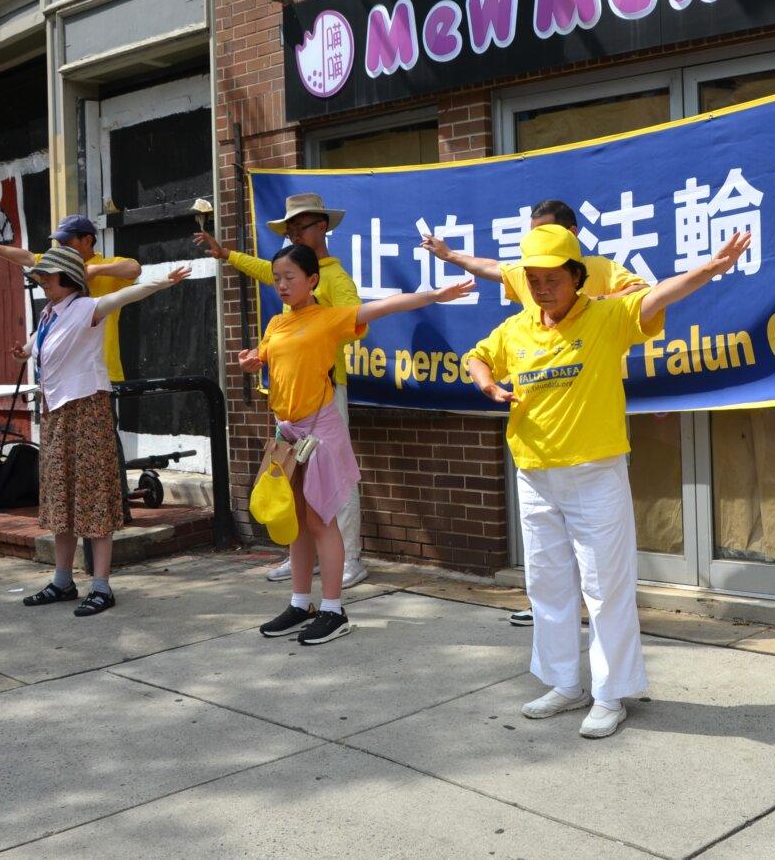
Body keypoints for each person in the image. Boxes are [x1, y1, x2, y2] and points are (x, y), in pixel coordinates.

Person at [465, 224, 752, 739]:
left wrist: (711, 269)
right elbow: (477, 355)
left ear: (577, 277)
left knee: (605, 589)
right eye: (533, 278)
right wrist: (487, 381)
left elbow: (660, 294)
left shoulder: (604, 316)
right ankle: (563, 683)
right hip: (534, 473)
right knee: (547, 586)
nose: (541, 287)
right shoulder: (519, 326)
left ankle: (610, 693)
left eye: (552, 278)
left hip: (593, 472)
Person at [423, 197, 647, 627]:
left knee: (602, 567)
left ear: (572, 244)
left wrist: (593, 311)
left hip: (586, 409)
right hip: (536, 430)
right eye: (531, 250)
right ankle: (558, 656)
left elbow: (641, 293)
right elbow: (492, 269)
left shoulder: (597, 272)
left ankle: (609, 678)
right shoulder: (524, 298)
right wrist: (450, 256)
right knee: (547, 566)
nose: (541, 284)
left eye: (545, 237)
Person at [239, 244, 474, 646]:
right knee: (295, 519)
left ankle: (333, 609)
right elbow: (271, 357)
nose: (281, 284)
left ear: (312, 280)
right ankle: (301, 603)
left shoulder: (330, 318)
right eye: (277, 278)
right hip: (287, 433)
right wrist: (253, 361)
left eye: (290, 277)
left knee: (320, 519)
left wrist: (435, 296)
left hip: (319, 432)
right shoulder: (276, 323)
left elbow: (384, 307)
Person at [196, 192, 369, 591]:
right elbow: (265, 270)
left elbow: (358, 321)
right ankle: (300, 558)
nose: (292, 233)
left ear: (322, 227)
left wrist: (316, 325)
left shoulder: (334, 278)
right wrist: (227, 256)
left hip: (325, 391)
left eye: (300, 226)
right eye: (289, 228)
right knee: (292, 477)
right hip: (290, 402)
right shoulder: (289, 277)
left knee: (334, 478)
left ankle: (350, 559)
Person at [16, 245, 190, 618]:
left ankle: (101, 585)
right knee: (61, 495)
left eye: (48, 277)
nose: (42, 282)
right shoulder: (48, 314)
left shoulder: (84, 308)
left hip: (86, 409)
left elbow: (128, 293)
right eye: (41, 277)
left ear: (68, 278)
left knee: (93, 494)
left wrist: (163, 282)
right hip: (56, 412)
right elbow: (35, 344)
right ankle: (63, 580)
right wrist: (23, 351)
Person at [0, 214, 141, 382]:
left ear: (87, 240)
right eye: (60, 243)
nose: (62, 247)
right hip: (64, 372)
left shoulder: (106, 265)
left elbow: (134, 268)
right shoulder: (57, 265)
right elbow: (28, 257)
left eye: (67, 242)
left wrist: (95, 270)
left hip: (99, 369)